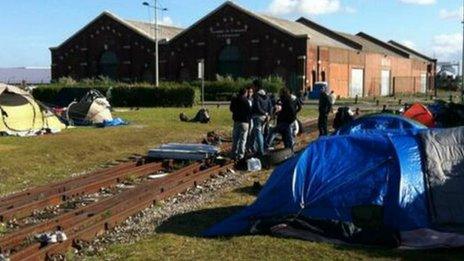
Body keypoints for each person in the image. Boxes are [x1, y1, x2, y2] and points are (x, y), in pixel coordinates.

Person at [230, 88, 252, 160]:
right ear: (245, 93)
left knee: (235, 138)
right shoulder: (246, 101)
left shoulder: (235, 99)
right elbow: (249, 111)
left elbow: (231, 108)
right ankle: (240, 155)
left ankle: (233, 154)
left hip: (236, 121)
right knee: (243, 139)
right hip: (245, 122)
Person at [251, 86, 272, 156]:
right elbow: (270, 107)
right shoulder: (268, 97)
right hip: (265, 117)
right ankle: (255, 147)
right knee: (260, 133)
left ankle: (260, 151)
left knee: (258, 134)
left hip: (257, 117)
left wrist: (263, 113)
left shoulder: (257, 97)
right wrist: (268, 115)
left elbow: (257, 107)